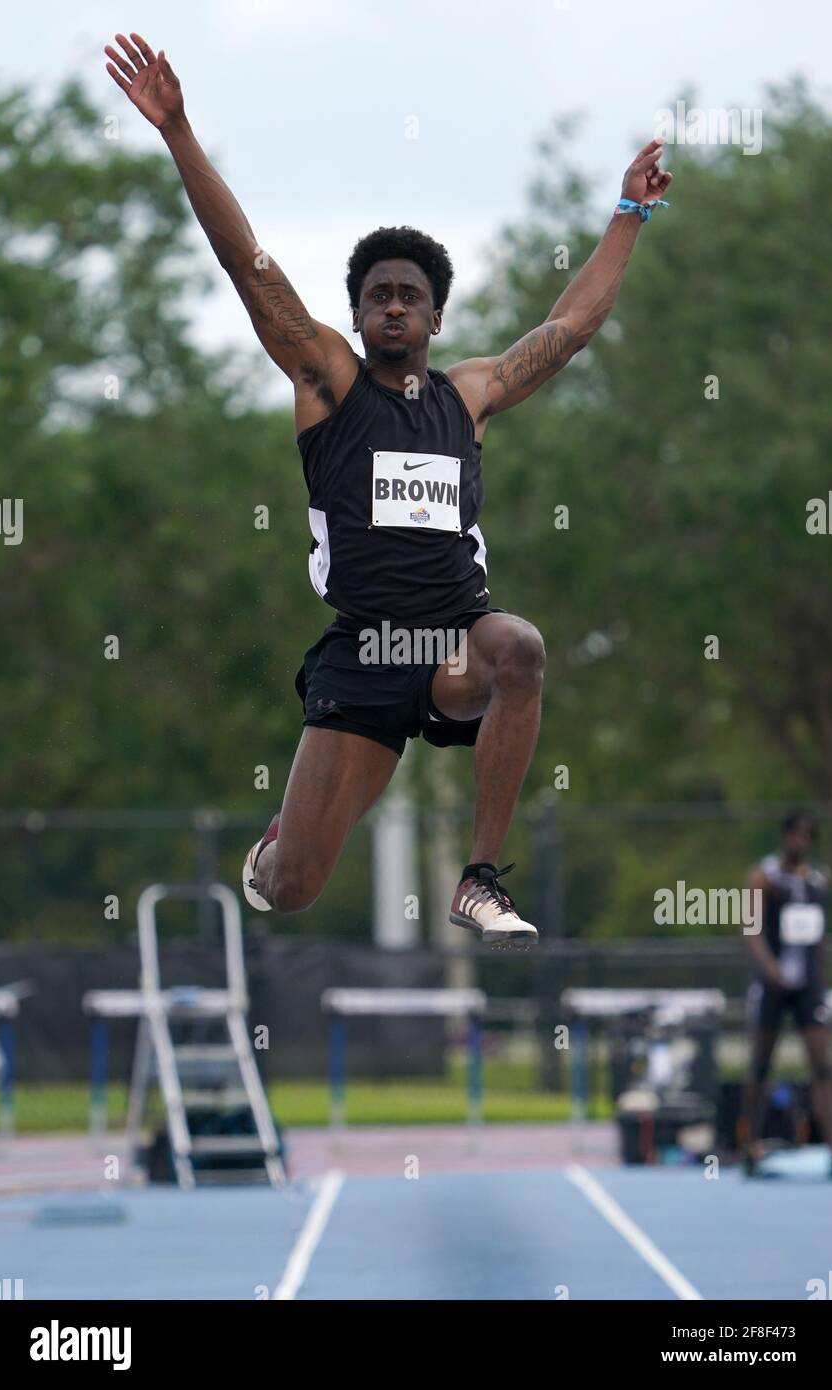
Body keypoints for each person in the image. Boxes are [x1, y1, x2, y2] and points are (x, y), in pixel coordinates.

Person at [105, 31, 672, 946]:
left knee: (520, 647)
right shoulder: (328, 382)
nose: (395, 304)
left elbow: (570, 326)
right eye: (378, 294)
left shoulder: (472, 395)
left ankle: (479, 879)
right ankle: (272, 851)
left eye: (411, 293)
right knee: (293, 888)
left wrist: (627, 213)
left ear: (437, 315)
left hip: (454, 649)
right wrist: (179, 133)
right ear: (361, 312)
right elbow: (245, 263)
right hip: (364, 657)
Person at [739, 811, 832, 1177]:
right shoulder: (764, 878)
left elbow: (819, 934)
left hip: (808, 986)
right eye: (796, 836)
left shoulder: (818, 879)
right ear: (785, 836)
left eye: (807, 837)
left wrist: (818, 978)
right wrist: (772, 971)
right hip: (773, 983)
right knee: (761, 1063)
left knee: (822, 1064)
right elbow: (750, 931)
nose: (801, 842)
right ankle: (749, 1147)